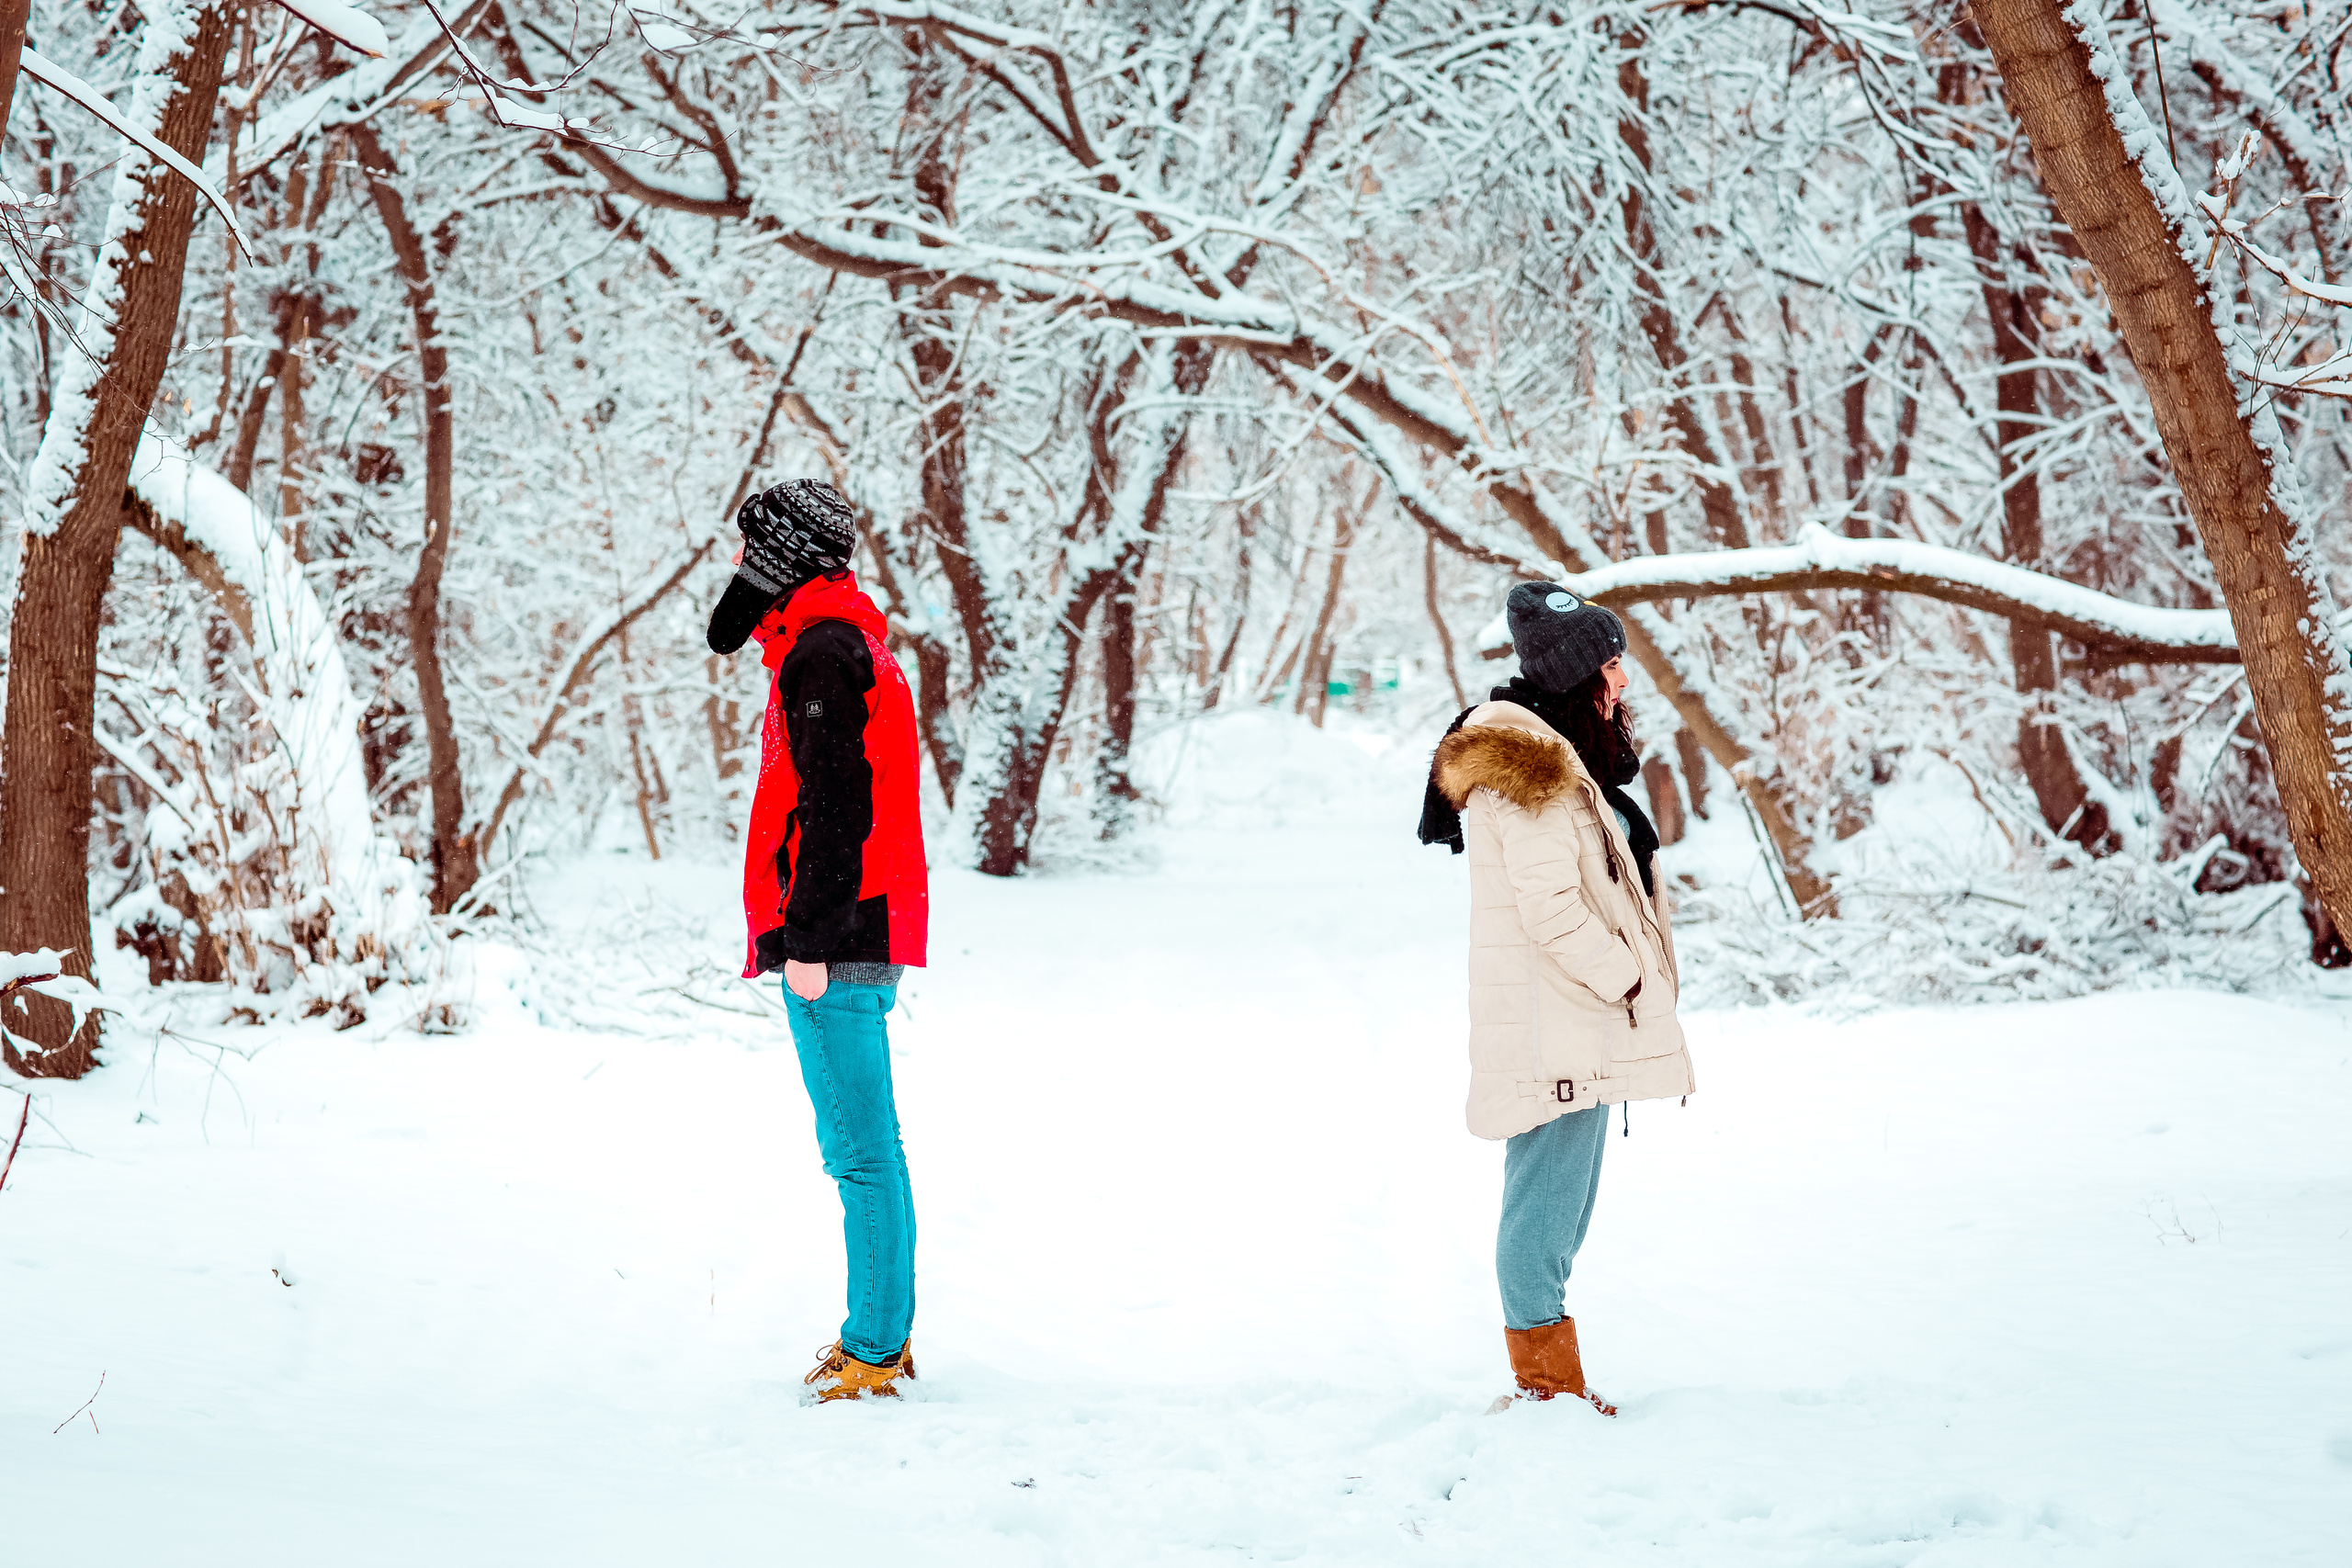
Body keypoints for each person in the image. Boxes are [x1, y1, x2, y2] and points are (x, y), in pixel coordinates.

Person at [1419, 581, 1695, 1415]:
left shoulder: (1563, 762)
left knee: (1563, 1208)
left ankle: (1550, 1381)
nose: (1623, 682)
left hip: (1571, 1018)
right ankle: (1545, 1387)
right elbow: (1552, 910)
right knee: (1544, 1210)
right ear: (1577, 675)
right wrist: (1630, 977)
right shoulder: (1531, 773)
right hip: (1558, 1021)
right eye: (1611, 666)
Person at [707, 479, 929, 1404]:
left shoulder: (822, 658)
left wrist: (804, 943)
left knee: (860, 1151)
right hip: (849, 928)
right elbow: (729, 628)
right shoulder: (829, 642)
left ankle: (873, 1347)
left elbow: (840, 812)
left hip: (833, 938)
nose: (734, 563)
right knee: (868, 1145)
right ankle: (881, 1335)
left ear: (785, 558)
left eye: (751, 547)